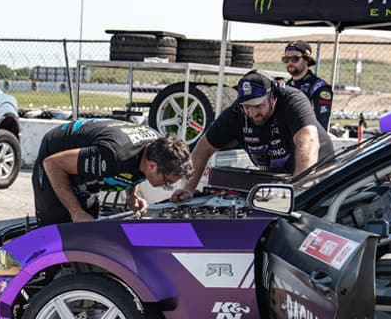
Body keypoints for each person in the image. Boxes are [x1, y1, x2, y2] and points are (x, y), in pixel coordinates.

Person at [172, 70, 333, 202]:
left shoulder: (293, 101)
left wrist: (299, 192)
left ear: (272, 97)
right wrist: (188, 189)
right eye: (247, 107)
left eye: (258, 105)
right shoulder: (236, 113)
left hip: (318, 174)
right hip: (279, 179)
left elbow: (308, 142)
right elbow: (203, 148)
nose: (252, 113)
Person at [33, 119, 193, 226]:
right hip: (56, 157)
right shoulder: (113, 155)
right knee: (58, 229)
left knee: (87, 228)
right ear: (153, 166)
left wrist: (132, 195)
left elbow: (136, 168)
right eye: (167, 182)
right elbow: (52, 163)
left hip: (89, 162)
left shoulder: (156, 149)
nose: (167, 186)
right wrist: (75, 211)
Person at [282, 40, 334, 130]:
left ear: (307, 60)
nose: (290, 62)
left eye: (295, 59)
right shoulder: (286, 86)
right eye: (286, 59)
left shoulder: (319, 88)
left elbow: (321, 126)